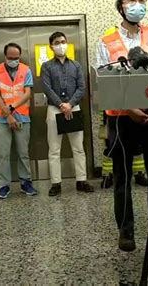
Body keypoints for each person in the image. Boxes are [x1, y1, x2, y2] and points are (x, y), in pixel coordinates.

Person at [96, 0, 148, 252]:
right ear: (120, 7)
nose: (137, 5)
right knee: (122, 176)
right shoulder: (106, 41)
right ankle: (125, 230)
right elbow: (103, 82)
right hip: (121, 117)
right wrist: (129, 108)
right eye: (131, 0)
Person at [41, 31, 94, 196]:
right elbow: (46, 88)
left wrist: (70, 104)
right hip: (54, 109)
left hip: (74, 108)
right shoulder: (47, 66)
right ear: (51, 46)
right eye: (57, 42)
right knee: (54, 149)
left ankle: (81, 181)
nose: (60, 45)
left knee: (78, 148)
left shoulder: (76, 66)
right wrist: (61, 105)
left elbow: (82, 87)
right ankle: (56, 184)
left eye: (63, 41)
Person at [0, 43, 37, 199]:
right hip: (2, 119)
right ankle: (4, 186)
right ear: (5, 56)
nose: (14, 61)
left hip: (22, 116)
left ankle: (26, 183)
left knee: (23, 153)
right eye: (11, 58)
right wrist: (8, 115)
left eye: (16, 58)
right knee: (3, 154)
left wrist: (12, 109)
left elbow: (27, 94)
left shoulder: (26, 70)